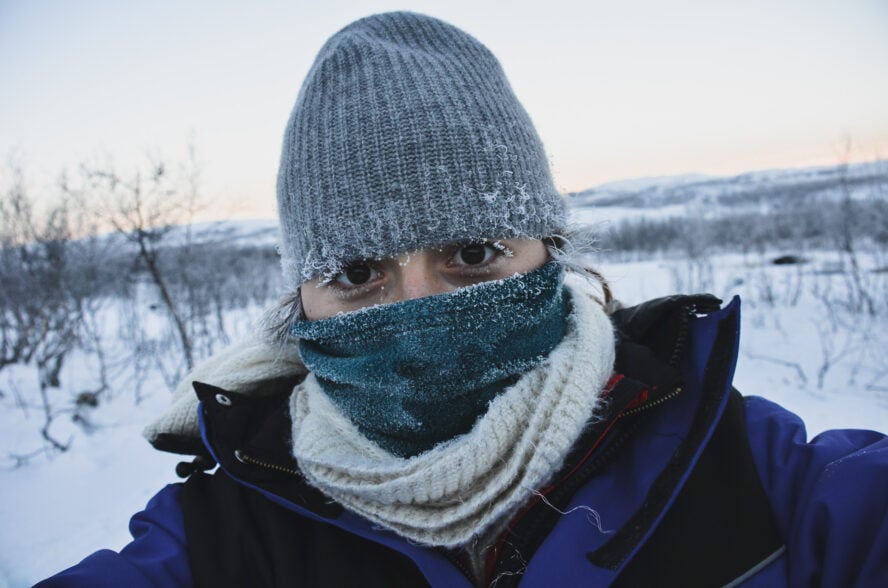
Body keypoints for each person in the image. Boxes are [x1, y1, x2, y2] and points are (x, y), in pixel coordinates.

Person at [38, 11, 886, 587]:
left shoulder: (746, 471)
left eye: (472, 253)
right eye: (355, 273)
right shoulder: (222, 540)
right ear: (301, 302)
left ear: (547, 254)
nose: (414, 309)